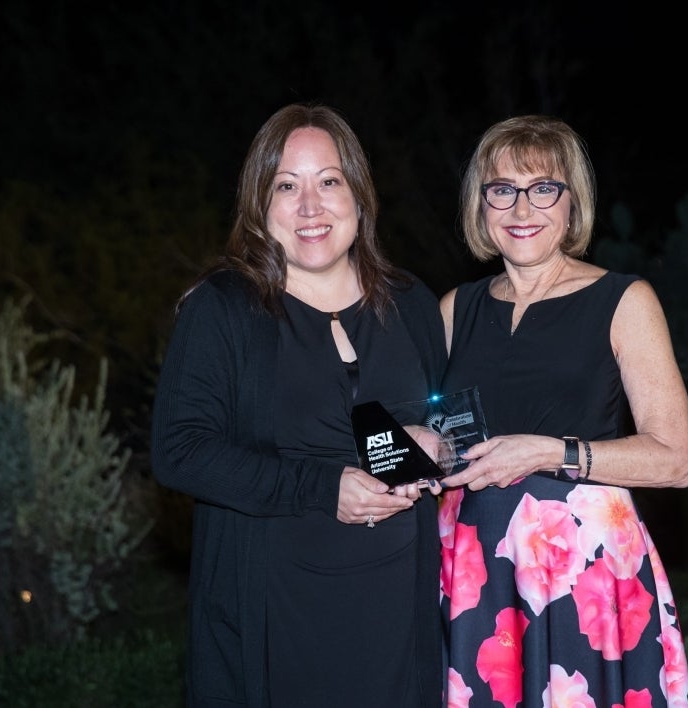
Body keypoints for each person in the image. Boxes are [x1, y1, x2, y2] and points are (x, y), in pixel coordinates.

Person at [150, 103, 447, 707]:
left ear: (359, 194)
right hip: (278, 621)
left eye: (328, 181)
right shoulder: (224, 309)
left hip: (399, 617)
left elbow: (447, 417)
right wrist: (320, 486)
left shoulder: (411, 303)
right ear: (260, 205)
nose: (310, 207)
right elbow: (180, 451)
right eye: (287, 186)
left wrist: (438, 440)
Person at [437, 115, 688, 708]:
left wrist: (550, 452)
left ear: (571, 202)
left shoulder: (624, 301)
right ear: (481, 206)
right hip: (476, 571)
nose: (521, 208)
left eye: (542, 188)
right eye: (501, 189)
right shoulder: (456, 308)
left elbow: (676, 460)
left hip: (584, 573)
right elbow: (440, 435)